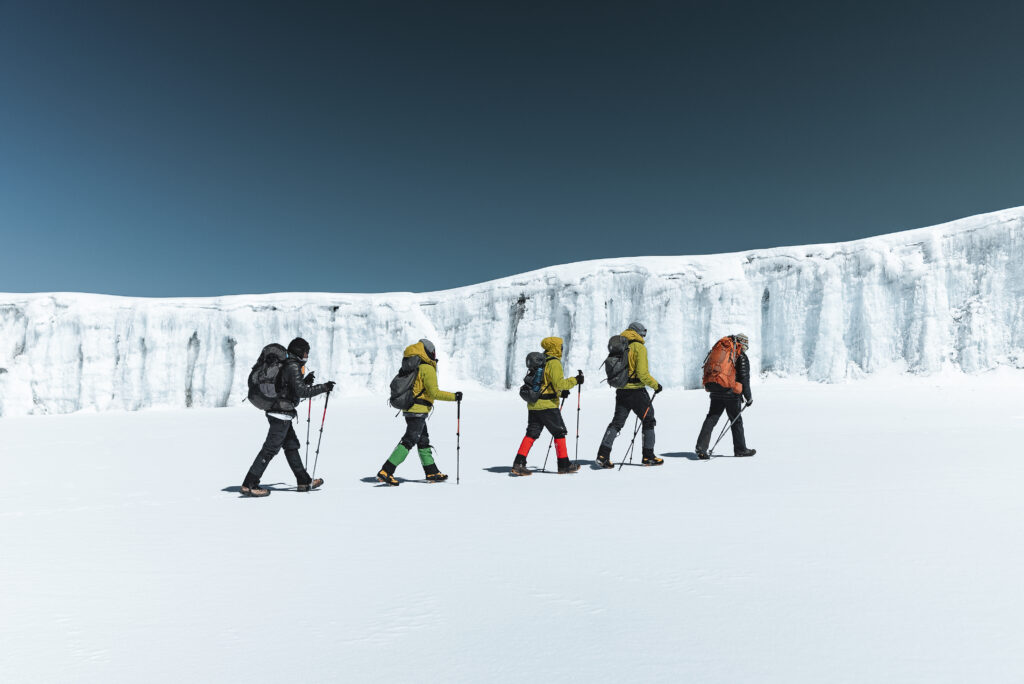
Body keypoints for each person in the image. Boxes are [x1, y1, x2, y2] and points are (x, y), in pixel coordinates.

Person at [241, 337, 335, 497]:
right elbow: (301, 392)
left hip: (280, 411)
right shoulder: (292, 366)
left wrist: (304, 381)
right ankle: (249, 484)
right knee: (270, 449)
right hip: (281, 413)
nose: (306, 355)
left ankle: (303, 480)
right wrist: (323, 387)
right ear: (299, 351)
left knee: (291, 446)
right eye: (305, 352)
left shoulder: (289, 365)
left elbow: (287, 387)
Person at [377, 339, 461, 486]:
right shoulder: (427, 368)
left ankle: (432, 471)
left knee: (422, 441)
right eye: (433, 352)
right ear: (427, 352)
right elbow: (434, 393)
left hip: (410, 408)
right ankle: (386, 471)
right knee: (409, 440)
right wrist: (454, 397)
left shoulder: (412, 365)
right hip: (419, 410)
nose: (434, 355)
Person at [510, 337, 584, 476]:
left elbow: (546, 384)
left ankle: (518, 464)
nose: (562, 348)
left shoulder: (540, 360)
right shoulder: (554, 363)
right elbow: (559, 384)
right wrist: (576, 380)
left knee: (531, 434)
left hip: (534, 404)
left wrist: (560, 393)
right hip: (547, 406)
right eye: (560, 346)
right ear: (555, 347)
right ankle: (564, 465)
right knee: (559, 432)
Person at [596, 322, 664, 468]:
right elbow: (642, 374)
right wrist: (656, 386)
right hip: (637, 391)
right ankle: (648, 456)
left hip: (621, 390)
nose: (643, 336)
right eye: (643, 333)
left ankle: (603, 455)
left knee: (617, 423)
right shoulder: (639, 347)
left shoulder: (621, 344)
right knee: (649, 420)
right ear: (638, 333)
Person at [695, 333, 756, 458]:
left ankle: (701, 447)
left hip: (716, 390)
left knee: (711, 418)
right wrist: (748, 398)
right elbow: (744, 379)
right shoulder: (740, 356)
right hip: (731, 393)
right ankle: (740, 450)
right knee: (736, 421)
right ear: (742, 344)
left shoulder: (723, 351)